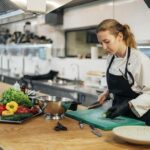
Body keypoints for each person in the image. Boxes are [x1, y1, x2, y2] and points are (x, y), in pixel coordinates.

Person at [96, 19, 150, 125]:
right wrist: (106, 93)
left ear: (120, 36)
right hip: (118, 115)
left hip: (139, 118)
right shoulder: (110, 58)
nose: (104, 47)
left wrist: (128, 105)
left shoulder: (139, 59)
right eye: (101, 43)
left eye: (107, 42)